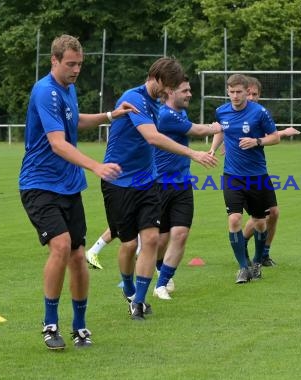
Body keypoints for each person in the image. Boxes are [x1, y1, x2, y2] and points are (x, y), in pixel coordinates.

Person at [19, 34, 137, 350]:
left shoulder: (69, 90)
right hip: (39, 184)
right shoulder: (45, 90)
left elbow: (75, 121)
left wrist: (112, 115)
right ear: (54, 61)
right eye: (70, 64)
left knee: (77, 257)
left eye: (79, 64)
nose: (75, 70)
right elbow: (58, 143)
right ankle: (49, 324)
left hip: (69, 186)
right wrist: (96, 166)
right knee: (60, 246)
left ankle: (80, 327)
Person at [101, 57, 217, 320]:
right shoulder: (134, 98)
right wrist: (193, 154)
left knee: (152, 239)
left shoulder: (155, 102)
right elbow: (152, 137)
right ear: (159, 79)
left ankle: (139, 303)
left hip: (147, 180)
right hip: (118, 180)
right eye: (170, 86)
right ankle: (130, 289)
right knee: (129, 244)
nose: (170, 92)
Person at [152, 76, 222, 300]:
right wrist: (216, 127)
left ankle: (161, 284)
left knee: (180, 234)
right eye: (185, 90)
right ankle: (156, 265)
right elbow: (197, 131)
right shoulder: (165, 115)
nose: (189, 94)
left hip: (182, 183)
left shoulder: (180, 112)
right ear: (171, 92)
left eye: (189, 90)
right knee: (161, 240)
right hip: (160, 185)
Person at [209, 74, 280, 283]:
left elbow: (275, 137)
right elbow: (221, 130)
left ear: (246, 91)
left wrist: (257, 141)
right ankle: (242, 267)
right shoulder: (222, 111)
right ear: (227, 91)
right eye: (231, 92)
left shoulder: (259, 112)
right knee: (234, 219)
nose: (235, 96)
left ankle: (257, 261)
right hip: (232, 175)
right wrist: (213, 149)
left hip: (257, 176)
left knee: (259, 222)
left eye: (239, 92)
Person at [241, 76, 300, 267]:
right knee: (260, 216)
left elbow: (265, 136)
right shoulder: (235, 112)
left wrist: (280, 133)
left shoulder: (259, 113)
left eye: (254, 94)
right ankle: (240, 245)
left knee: (273, 213)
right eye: (247, 93)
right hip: (240, 174)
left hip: (259, 171)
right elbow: (225, 130)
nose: (250, 97)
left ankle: (264, 253)